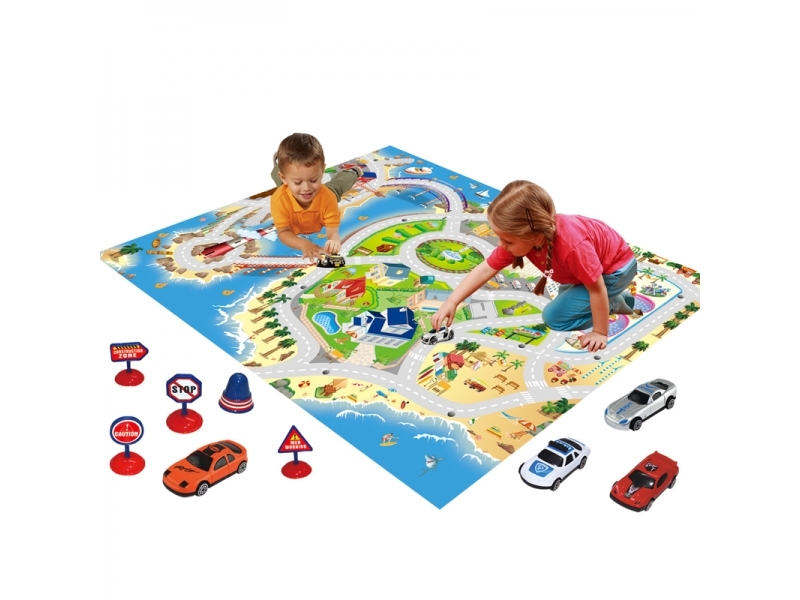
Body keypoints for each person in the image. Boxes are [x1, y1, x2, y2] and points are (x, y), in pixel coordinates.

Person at [430, 180, 637, 352]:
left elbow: (596, 289)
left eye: (507, 241)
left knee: (554, 318)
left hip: (615, 271)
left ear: (535, 236)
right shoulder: (526, 236)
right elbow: (485, 269)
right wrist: (452, 301)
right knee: (567, 301)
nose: (501, 245)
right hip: (584, 272)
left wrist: (600, 332)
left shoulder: (572, 247)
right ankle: (616, 298)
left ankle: (613, 303)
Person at [269, 133, 363, 260]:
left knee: (340, 185)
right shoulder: (278, 199)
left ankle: (353, 172)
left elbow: (333, 232)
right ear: (284, 177)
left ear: (322, 170)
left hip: (323, 192)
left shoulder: (328, 197)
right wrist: (304, 244)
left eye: (313, 180)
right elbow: (283, 232)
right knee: (279, 182)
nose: (306, 188)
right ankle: (278, 164)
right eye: (298, 182)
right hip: (286, 189)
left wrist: (334, 241)